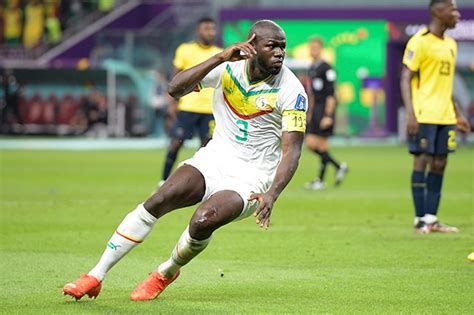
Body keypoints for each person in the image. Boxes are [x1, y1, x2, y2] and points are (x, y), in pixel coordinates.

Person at [63, 19, 308, 301]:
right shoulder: (228, 68)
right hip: (215, 158)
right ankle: (95, 275)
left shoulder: (292, 91)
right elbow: (175, 89)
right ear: (251, 45)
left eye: (283, 48)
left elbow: (292, 151)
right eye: (272, 46)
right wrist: (218, 57)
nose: (279, 53)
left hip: (253, 177)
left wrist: (272, 194)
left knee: (203, 220)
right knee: (158, 200)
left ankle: (166, 272)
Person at [400, 0, 470, 234]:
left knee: (440, 163)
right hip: (424, 113)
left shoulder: (451, 44)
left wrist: (458, 114)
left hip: (446, 115)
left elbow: (446, 85)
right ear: (437, 12)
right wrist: (410, 113)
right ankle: (420, 220)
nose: (457, 14)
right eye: (453, 9)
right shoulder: (419, 41)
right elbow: (405, 77)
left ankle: (432, 218)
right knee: (422, 161)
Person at [159, 17, 222, 187]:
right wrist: (173, 103)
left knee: (207, 149)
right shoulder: (185, 49)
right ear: (198, 31)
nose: (211, 32)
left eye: (213, 29)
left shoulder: (219, 53)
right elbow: (176, 77)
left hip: (210, 110)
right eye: (207, 29)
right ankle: (163, 181)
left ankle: (205, 184)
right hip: (187, 106)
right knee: (175, 143)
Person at [304, 37, 347, 190]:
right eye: (311, 47)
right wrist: (309, 113)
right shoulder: (312, 68)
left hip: (325, 110)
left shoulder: (327, 68)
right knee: (317, 146)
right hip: (315, 109)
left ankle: (322, 179)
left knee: (316, 144)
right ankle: (337, 168)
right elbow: (311, 94)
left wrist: (328, 115)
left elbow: (331, 94)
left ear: (321, 49)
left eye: (315, 47)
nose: (312, 50)